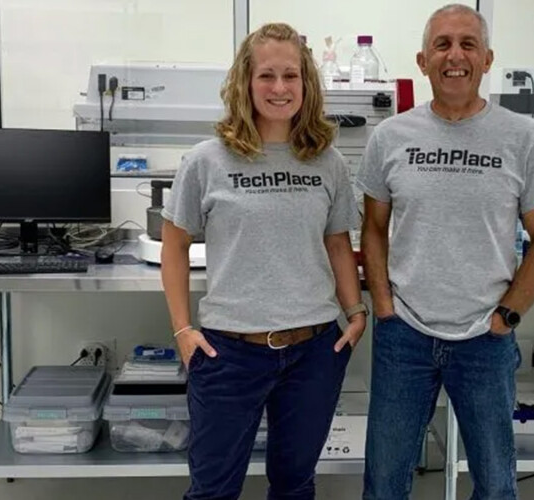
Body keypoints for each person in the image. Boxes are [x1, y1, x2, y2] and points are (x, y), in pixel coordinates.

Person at [358, 4, 534, 499]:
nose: (455, 56)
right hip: (403, 335)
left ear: (487, 58)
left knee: (495, 484)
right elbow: (372, 228)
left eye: (468, 44)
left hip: (485, 339)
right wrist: (384, 307)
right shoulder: (389, 138)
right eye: (443, 45)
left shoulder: (525, 140)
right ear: (422, 60)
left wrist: (508, 316)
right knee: (385, 482)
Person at [160, 23, 367, 500]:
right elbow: (174, 247)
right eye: (267, 76)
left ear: (306, 83)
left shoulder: (327, 162)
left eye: (291, 76)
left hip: (314, 351)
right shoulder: (206, 161)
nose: (279, 88)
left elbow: (337, 243)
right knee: (213, 490)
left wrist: (355, 314)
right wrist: (182, 330)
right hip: (229, 352)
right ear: (245, 82)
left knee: (295, 485)